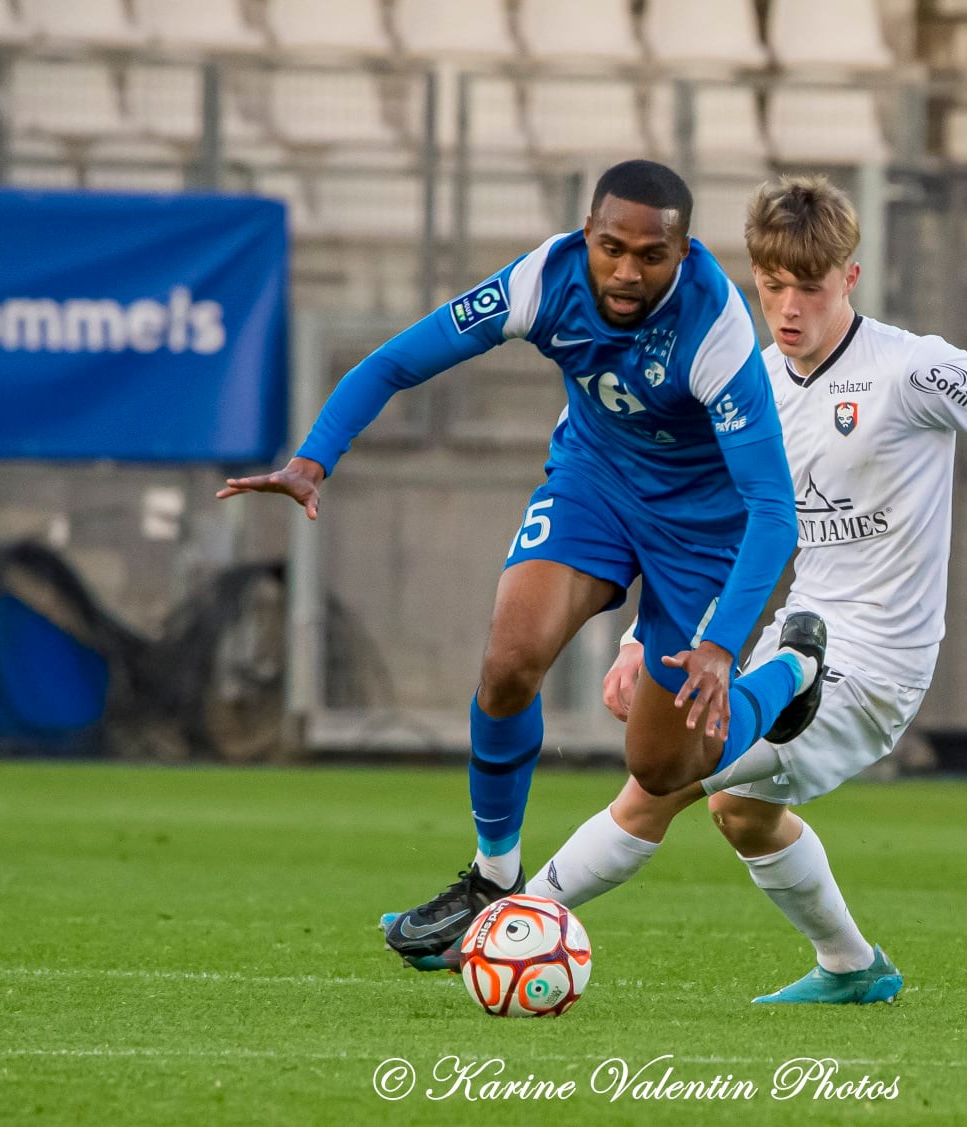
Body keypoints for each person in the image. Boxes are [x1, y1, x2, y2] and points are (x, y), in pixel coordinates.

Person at [218, 160, 827, 966]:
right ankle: (493, 876)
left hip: (702, 530)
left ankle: (791, 670)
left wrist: (722, 645)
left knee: (661, 763)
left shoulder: (715, 327)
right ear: (588, 235)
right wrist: (313, 459)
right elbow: (394, 362)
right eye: (611, 246)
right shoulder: (544, 279)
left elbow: (775, 510)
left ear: (683, 255)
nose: (627, 268)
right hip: (595, 486)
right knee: (508, 661)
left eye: (651, 255)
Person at [514, 175, 967, 1003]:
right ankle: (854, 968)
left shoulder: (911, 369)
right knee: (738, 809)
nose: (787, 307)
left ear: (849, 277)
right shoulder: (750, 383)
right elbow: (709, 527)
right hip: (796, 638)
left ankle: (505, 923)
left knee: (663, 780)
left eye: (809, 287)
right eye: (770, 285)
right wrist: (643, 638)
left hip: (877, 664)